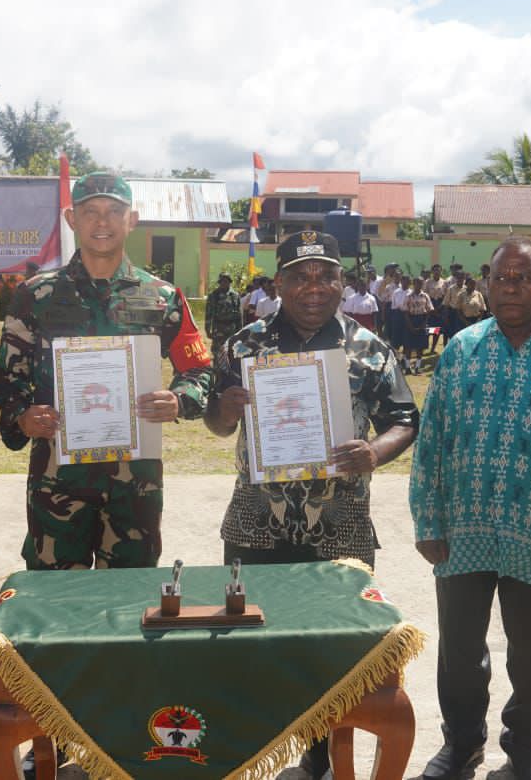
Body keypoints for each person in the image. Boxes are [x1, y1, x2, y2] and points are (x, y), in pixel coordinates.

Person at [205, 230, 418, 780]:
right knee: (249, 638)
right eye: (300, 276)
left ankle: (321, 758)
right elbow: (214, 421)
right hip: (257, 518)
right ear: (280, 283)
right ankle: (253, 749)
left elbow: (404, 418)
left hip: (339, 520)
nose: (314, 287)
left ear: (342, 282)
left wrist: (375, 451)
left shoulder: (368, 346)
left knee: (334, 646)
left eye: (326, 275)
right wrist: (226, 410)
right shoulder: (243, 344)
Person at [409, 237, 531, 780]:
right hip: (461, 531)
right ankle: (462, 746)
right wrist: (428, 520)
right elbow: (432, 442)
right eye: (501, 278)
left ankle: (526, 755)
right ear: (486, 285)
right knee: (460, 652)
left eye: (524, 277)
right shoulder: (461, 350)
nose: (511, 287)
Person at [0, 171, 212, 571]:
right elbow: (8, 375)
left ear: (133, 220)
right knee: (55, 595)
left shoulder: (161, 297)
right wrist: (22, 417)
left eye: (114, 211)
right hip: (58, 476)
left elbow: (198, 369)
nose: (102, 222)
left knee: (129, 600)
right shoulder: (36, 295)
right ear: (71, 219)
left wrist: (180, 400)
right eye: (90, 211)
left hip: (135, 482)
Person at [204, 272, 242, 352]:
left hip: (232, 328)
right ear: (219, 282)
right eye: (222, 281)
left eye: (226, 281)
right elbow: (208, 314)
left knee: (232, 351)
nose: (224, 283)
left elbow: (239, 314)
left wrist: (240, 330)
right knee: (217, 352)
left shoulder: (235, 295)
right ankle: (217, 364)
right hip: (218, 328)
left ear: (229, 282)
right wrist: (208, 329)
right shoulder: (213, 295)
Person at [403, 276, 434, 372]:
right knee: (408, 345)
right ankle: (408, 367)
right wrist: (410, 326)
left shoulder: (425, 296)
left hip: (422, 320)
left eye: (421, 283)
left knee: (420, 346)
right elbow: (405, 312)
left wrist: (424, 323)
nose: (419, 285)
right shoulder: (408, 296)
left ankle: (417, 367)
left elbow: (429, 310)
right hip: (410, 320)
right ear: (413, 284)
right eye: (417, 283)